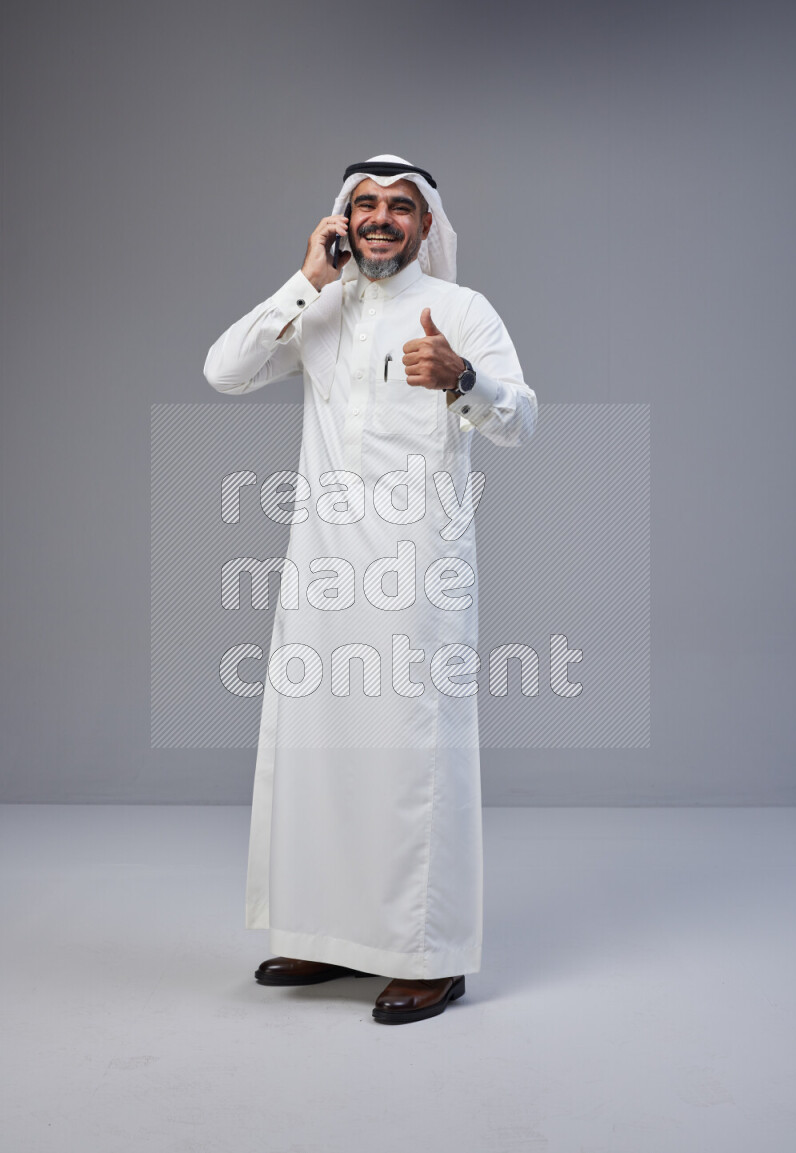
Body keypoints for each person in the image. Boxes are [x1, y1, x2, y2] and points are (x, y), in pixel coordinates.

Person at [204, 154, 538, 1025]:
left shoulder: (463, 311)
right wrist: (304, 278)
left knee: (410, 761)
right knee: (319, 752)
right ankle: (326, 934)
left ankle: (430, 954)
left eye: (399, 207)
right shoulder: (319, 310)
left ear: (427, 225)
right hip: (321, 569)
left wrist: (463, 378)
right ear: (341, 220)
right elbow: (223, 371)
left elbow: (523, 420)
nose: (381, 219)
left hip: (416, 572)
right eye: (365, 206)